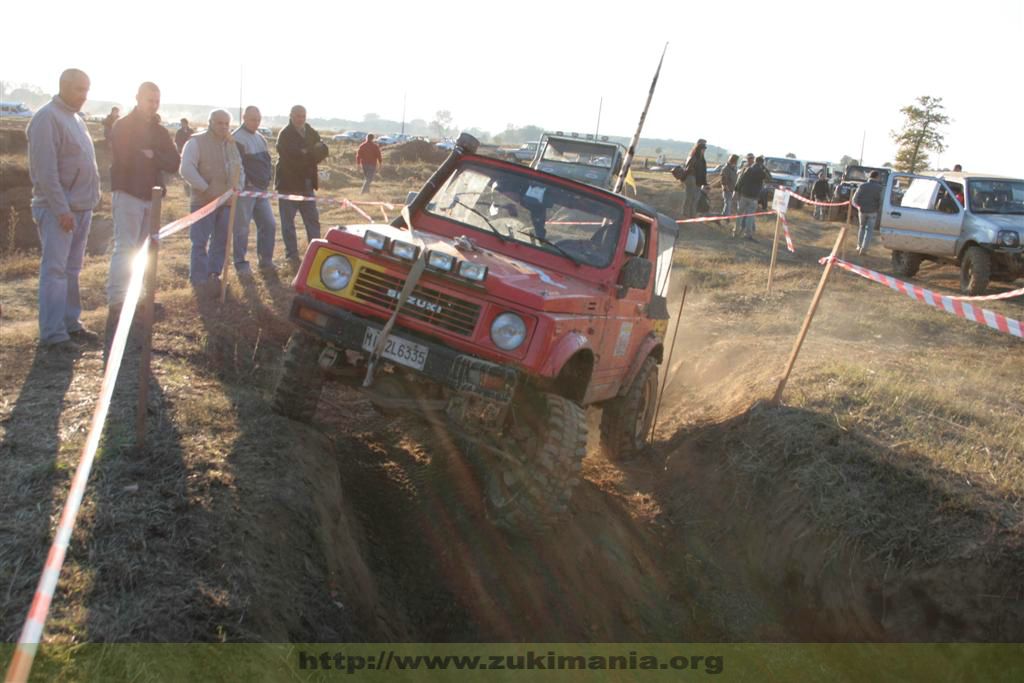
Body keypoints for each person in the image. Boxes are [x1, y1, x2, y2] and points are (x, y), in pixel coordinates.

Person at [26, 68, 101, 351]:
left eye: (87, 89)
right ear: (63, 86)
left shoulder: (75, 118)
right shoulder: (46, 118)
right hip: (60, 210)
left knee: (72, 269)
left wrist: (94, 197)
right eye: (79, 89)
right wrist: (61, 210)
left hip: (81, 208)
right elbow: (45, 172)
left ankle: (70, 324)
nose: (84, 96)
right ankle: (53, 334)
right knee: (55, 270)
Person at [104, 82, 180, 355]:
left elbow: (173, 162)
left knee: (145, 251)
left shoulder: (159, 130)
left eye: (157, 99)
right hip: (128, 193)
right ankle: (117, 302)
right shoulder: (123, 126)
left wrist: (152, 156)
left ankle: (137, 300)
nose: (154, 103)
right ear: (137, 98)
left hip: (152, 197)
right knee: (125, 248)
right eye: (149, 99)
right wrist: (153, 158)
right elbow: (126, 158)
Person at [179, 109, 244, 291]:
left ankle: (214, 274)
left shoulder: (231, 145)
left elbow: (239, 169)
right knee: (199, 241)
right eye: (219, 123)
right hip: (203, 201)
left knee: (221, 240)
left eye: (226, 124)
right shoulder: (196, 142)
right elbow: (186, 169)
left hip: (227, 202)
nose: (223, 127)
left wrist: (238, 188)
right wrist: (205, 189)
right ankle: (199, 280)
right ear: (210, 123)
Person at [276, 105, 329, 262]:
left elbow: (322, 150)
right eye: (297, 115)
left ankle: (315, 254)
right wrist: (307, 153)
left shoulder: (310, 131)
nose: (300, 118)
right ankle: (291, 256)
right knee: (288, 223)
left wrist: (306, 153)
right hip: (288, 184)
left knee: (312, 220)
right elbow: (289, 157)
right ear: (291, 115)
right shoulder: (284, 134)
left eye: (303, 116)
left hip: (307, 183)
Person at [232, 106, 277, 272]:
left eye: (258, 119)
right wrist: (245, 184)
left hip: (261, 190)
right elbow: (237, 165)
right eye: (252, 119)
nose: (256, 123)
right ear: (244, 118)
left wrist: (267, 180)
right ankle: (240, 263)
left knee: (269, 224)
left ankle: (265, 260)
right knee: (241, 228)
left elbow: (267, 162)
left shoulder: (260, 138)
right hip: (245, 190)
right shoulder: (236, 138)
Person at [732, 154, 768, 240]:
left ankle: (736, 232)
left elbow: (740, 180)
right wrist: (764, 169)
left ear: (755, 161)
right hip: (754, 197)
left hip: (744, 195)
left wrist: (736, 191)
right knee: (750, 217)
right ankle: (748, 235)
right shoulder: (761, 172)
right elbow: (770, 178)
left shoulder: (748, 169)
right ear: (762, 163)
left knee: (739, 214)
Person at [852, 170, 883, 255]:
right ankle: (864, 249)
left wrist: (858, 207)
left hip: (862, 211)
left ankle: (858, 246)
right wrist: (878, 210)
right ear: (877, 177)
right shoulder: (880, 188)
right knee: (869, 231)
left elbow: (854, 200)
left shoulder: (862, 186)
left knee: (861, 228)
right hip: (873, 211)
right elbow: (881, 201)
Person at [680, 138, 708, 219]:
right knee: (689, 198)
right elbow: (688, 169)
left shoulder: (701, 158)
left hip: (697, 181)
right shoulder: (694, 157)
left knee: (695, 199)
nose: (704, 151)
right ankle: (685, 214)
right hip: (692, 179)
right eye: (703, 149)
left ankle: (692, 215)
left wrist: (704, 182)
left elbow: (703, 171)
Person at [720, 154, 739, 225]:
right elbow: (723, 179)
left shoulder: (734, 168)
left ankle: (724, 217)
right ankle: (726, 218)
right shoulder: (726, 168)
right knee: (727, 204)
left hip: (732, 189)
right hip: (727, 189)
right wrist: (726, 188)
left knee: (728, 204)